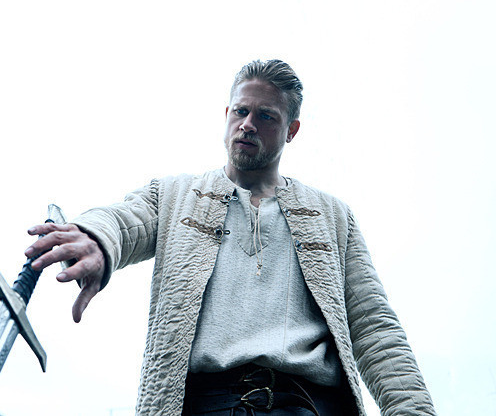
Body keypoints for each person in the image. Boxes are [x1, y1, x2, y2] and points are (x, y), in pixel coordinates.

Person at [24, 60, 435, 415]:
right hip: (203, 405)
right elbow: (122, 220)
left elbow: (375, 328)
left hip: (308, 405)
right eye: (241, 111)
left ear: (291, 130)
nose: (248, 124)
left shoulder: (333, 216)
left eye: (266, 116)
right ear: (226, 114)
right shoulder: (173, 195)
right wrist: (96, 239)